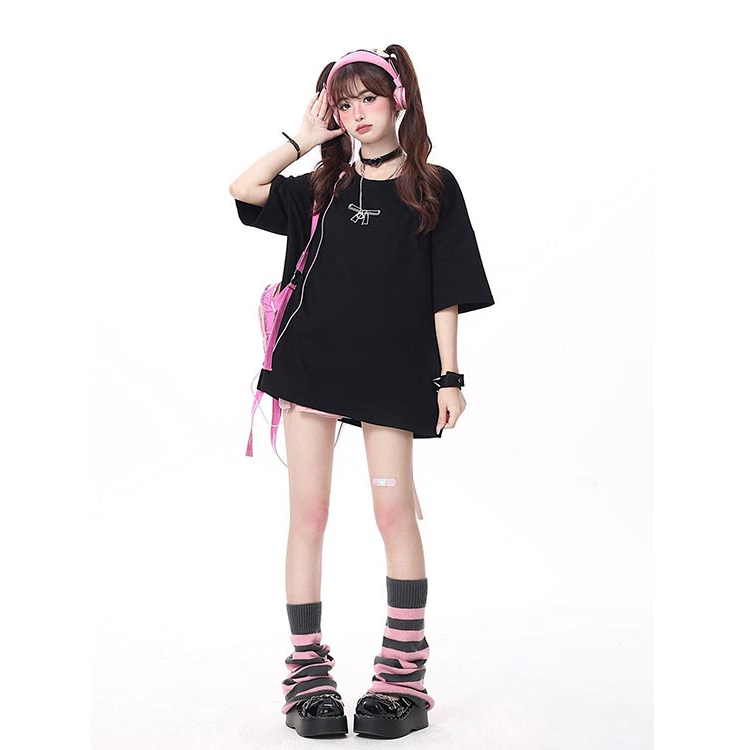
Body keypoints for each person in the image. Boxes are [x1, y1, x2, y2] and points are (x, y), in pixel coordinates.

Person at [229, 45, 494, 739]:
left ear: (397, 99)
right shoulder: (322, 188)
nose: (356, 114)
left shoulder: (432, 187)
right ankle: (307, 678)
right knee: (309, 516)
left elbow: (445, 292)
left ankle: (402, 679)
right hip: (311, 370)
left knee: (393, 514)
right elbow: (244, 187)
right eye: (343, 104)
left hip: (392, 375)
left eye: (367, 98)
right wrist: (303, 137)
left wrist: (450, 377)